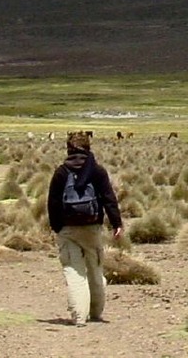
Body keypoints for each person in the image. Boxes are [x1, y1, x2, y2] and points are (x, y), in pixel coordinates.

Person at [46, 131, 123, 326]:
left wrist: (57, 227)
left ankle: (79, 317)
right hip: (92, 228)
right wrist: (117, 224)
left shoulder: (61, 172)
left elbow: (53, 203)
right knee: (95, 270)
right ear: (88, 147)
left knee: (74, 272)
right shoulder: (97, 171)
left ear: (68, 149)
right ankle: (96, 313)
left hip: (67, 229)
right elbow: (108, 198)